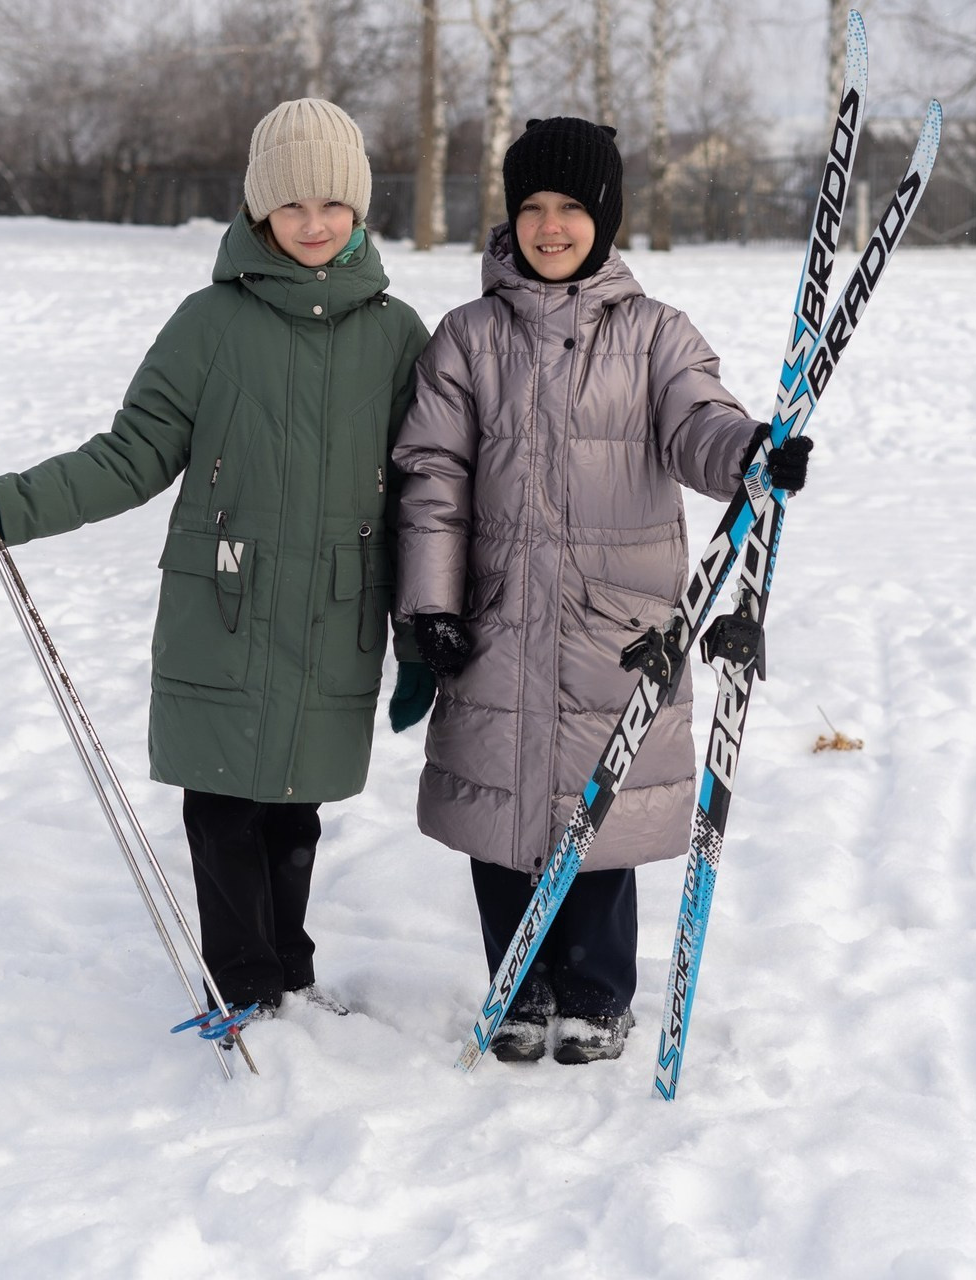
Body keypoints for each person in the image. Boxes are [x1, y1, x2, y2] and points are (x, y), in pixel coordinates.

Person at [0, 98, 429, 1032]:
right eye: (292, 207)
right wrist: (15, 503)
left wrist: (420, 640)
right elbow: (131, 454)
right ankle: (241, 980)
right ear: (259, 215)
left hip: (338, 612)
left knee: (295, 810)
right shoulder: (208, 325)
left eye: (332, 204)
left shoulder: (399, 335)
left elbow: (425, 498)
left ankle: (287, 969)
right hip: (226, 608)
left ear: (361, 209)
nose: (314, 223)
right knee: (221, 808)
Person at [389, 117, 811, 1065]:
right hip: (494, 620)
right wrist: (428, 606)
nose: (549, 226)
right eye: (532, 207)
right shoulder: (467, 339)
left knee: (601, 813)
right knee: (500, 819)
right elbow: (430, 477)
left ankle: (594, 991)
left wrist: (748, 454)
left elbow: (698, 419)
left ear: (606, 217)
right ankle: (518, 986)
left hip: (615, 629)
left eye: (571, 208)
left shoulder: (657, 335)